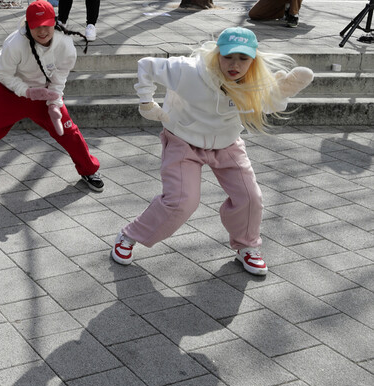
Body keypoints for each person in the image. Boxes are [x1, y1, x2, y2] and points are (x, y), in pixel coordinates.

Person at [113, 28, 314, 276]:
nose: (235, 65)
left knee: (251, 198)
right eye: (228, 56)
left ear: (253, 59)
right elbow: (145, 65)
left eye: (243, 58)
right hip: (183, 141)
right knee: (182, 202)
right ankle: (129, 236)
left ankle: (247, 247)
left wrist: (280, 93)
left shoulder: (254, 79)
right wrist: (146, 101)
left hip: (227, 144)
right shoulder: (189, 70)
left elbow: (267, 104)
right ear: (218, 53)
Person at [0, 0, 104, 192]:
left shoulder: (66, 45)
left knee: (67, 129)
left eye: (46, 25)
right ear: (27, 25)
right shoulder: (15, 43)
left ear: (53, 23)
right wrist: (27, 92)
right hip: (8, 91)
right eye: (36, 26)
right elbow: (4, 74)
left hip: (44, 92)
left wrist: (54, 102)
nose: (42, 31)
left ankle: (89, 169)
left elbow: (60, 75)